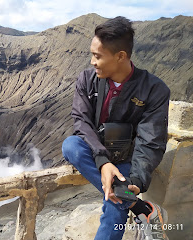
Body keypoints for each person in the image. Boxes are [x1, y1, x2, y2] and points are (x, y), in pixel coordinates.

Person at [62, 16, 170, 240]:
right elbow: (81, 121)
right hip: (95, 153)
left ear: (121, 56)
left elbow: (150, 140)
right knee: (71, 145)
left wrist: (137, 181)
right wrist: (103, 162)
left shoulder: (154, 90)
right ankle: (141, 210)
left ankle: (127, 199)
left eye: (97, 56)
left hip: (127, 160)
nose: (92, 61)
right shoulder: (87, 79)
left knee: (115, 206)